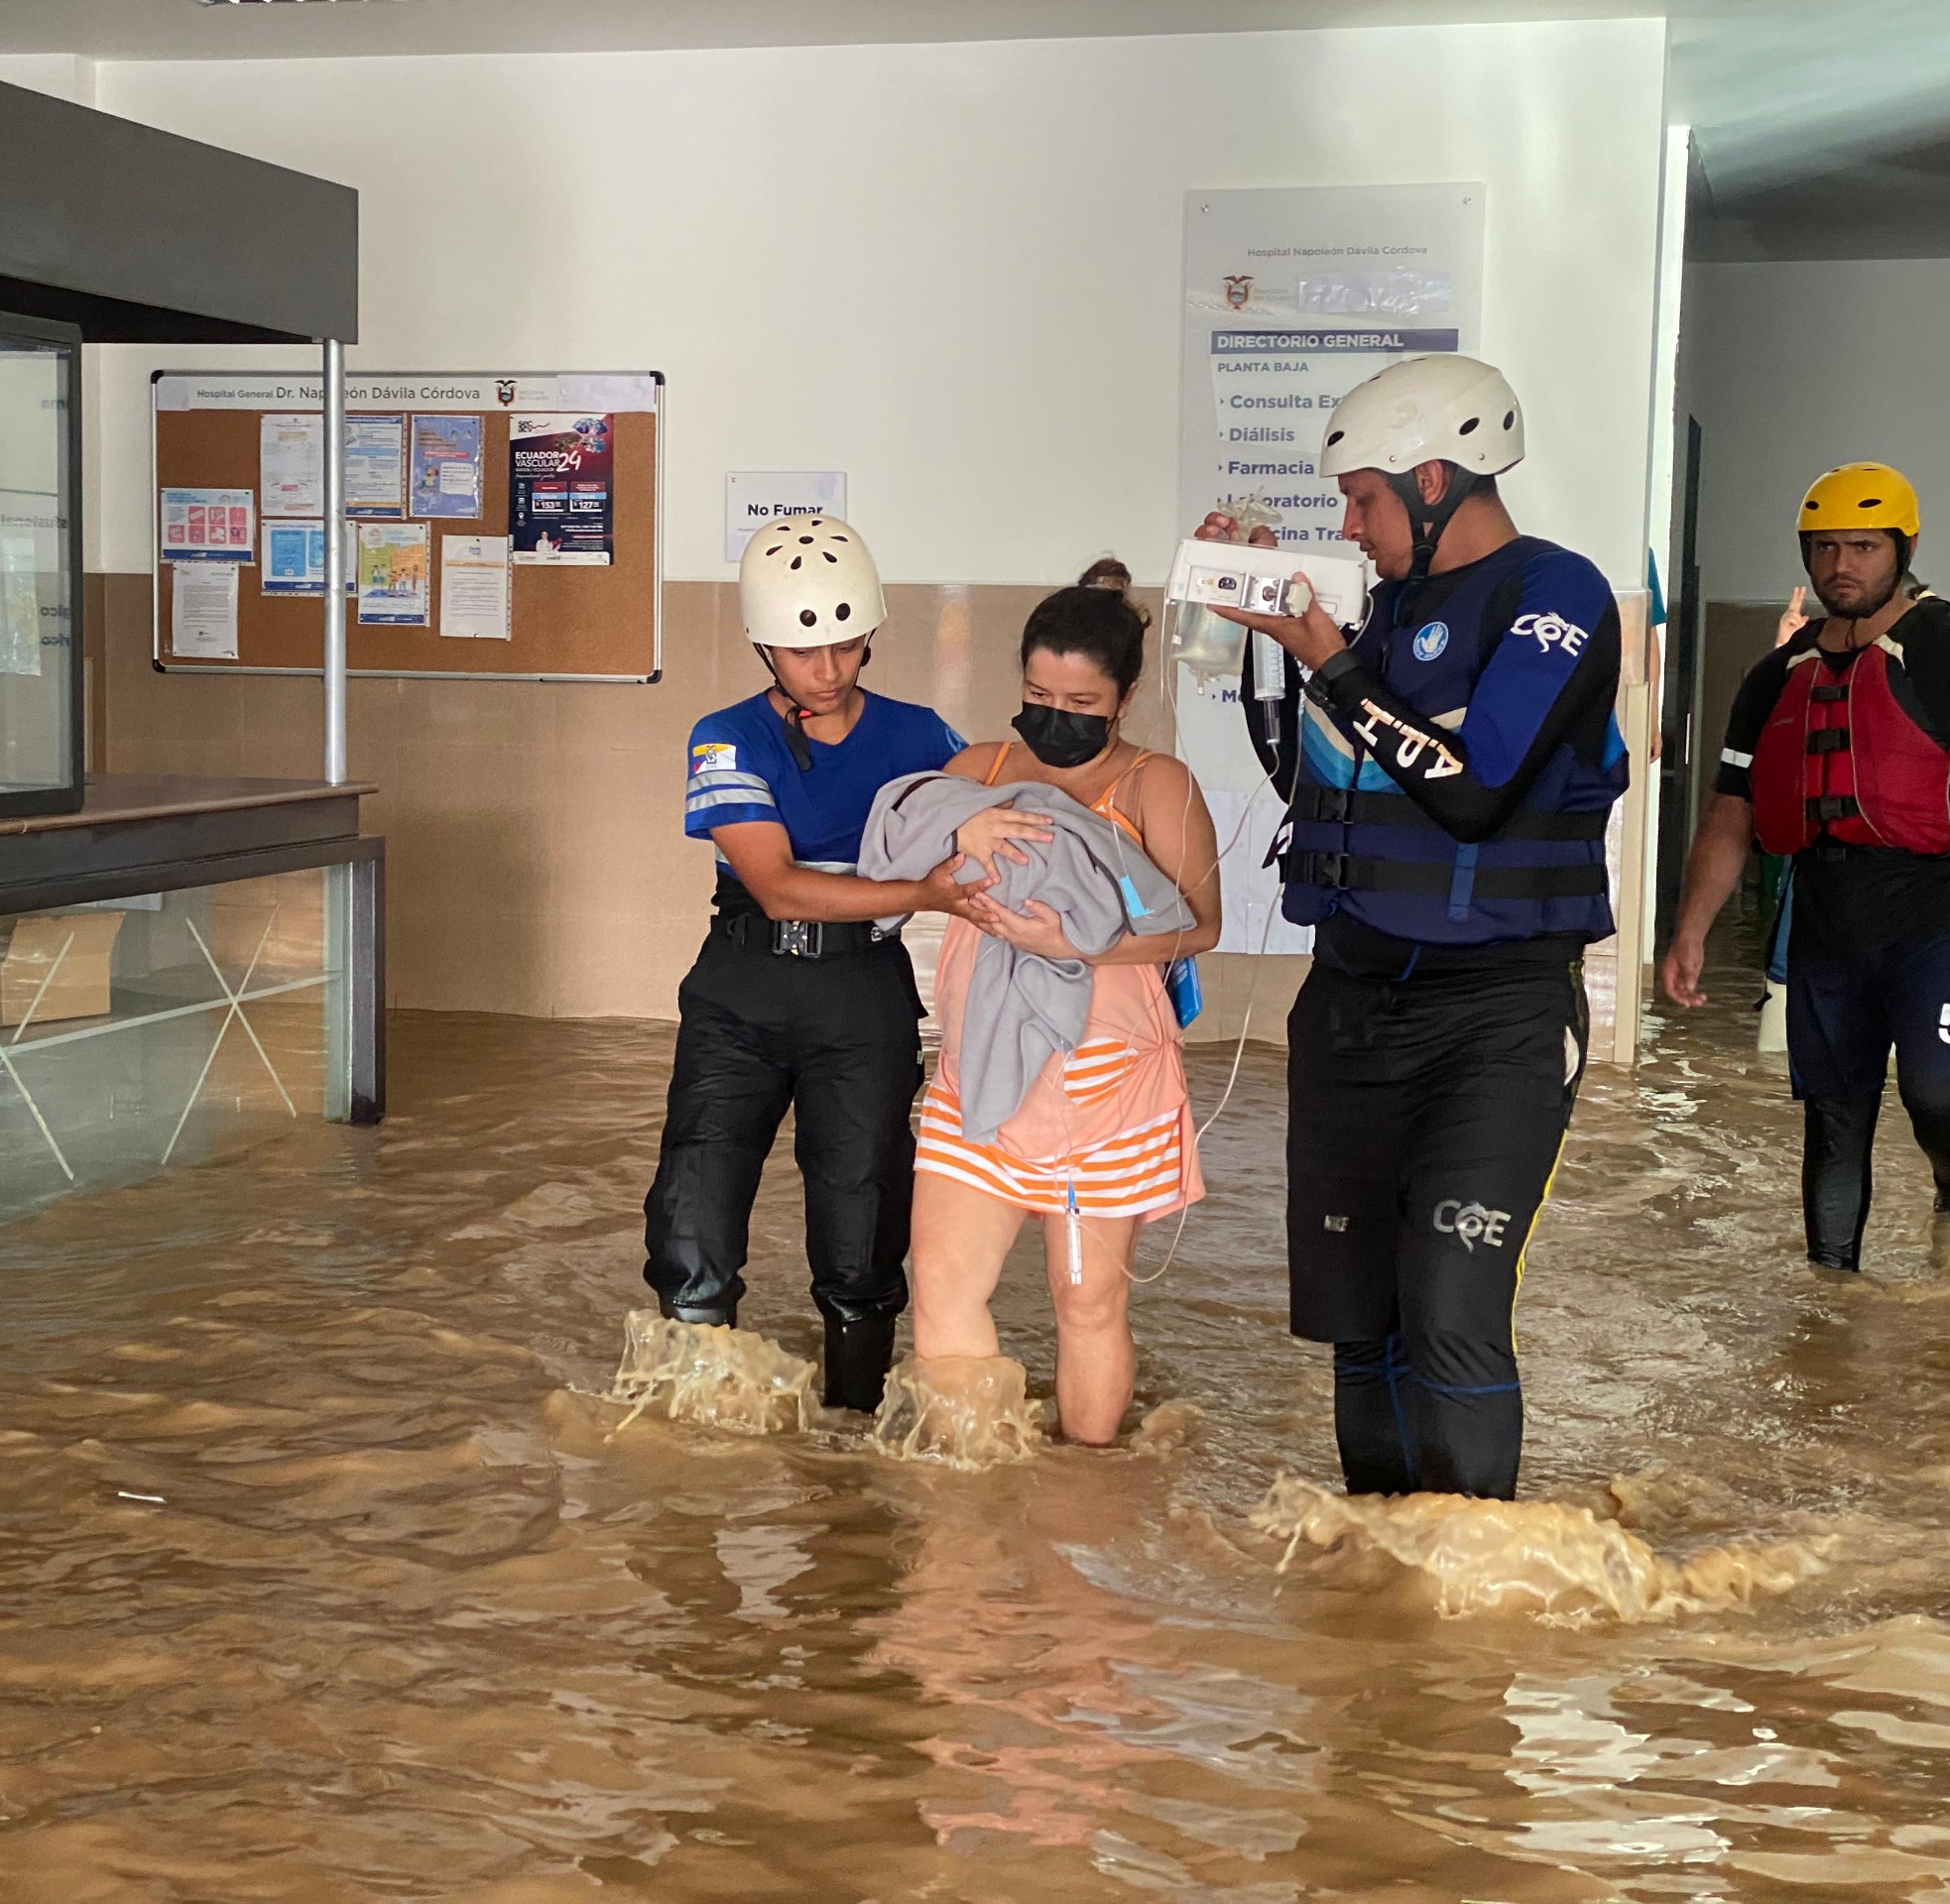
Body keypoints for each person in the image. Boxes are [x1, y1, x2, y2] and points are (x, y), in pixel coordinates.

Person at [1204, 354, 1626, 1501]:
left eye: (1362, 499)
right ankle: (1382, 1613)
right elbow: (1314, 783)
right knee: (1360, 1321)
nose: (1350, 525)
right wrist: (1261, 635)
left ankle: (1470, 1618)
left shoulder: (1560, 596)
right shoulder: (1385, 615)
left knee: (1449, 1307)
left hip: (1495, 1009)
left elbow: (1475, 789)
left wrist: (1323, 655)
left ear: (1432, 478)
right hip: (1349, 1005)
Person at [642, 516, 1050, 1409]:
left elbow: (1009, 812)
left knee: (863, 1227)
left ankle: (853, 1448)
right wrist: (928, 893)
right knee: (694, 1219)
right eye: (800, 651)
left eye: (842, 644)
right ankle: (690, 1446)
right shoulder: (724, 737)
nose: (825, 669)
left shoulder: (922, 735)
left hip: (861, 999)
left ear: (870, 632)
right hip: (741, 992)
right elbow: (779, 887)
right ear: (762, 646)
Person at [1660, 463, 1950, 1270]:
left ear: (1902, 549)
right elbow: (1730, 813)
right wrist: (1689, 933)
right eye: (1825, 548)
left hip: (1937, 913)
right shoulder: (1775, 676)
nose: (1842, 565)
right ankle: (1832, 1304)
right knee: (1836, 1117)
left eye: (1864, 547)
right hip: (1827, 914)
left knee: (1936, 1091)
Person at [904, 584, 1223, 1445]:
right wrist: (955, 846)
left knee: (1085, 1300)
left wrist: (1073, 944)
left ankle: (1083, 1502)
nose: (1057, 717)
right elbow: (906, 858)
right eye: (1039, 698)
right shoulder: (982, 771)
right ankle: (969, 1486)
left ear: (1123, 698)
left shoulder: (1158, 785)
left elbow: (1199, 927)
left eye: (1081, 703)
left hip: (1102, 1092)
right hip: (980, 1074)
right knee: (938, 1281)